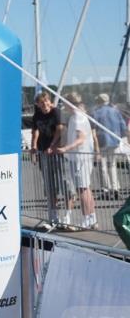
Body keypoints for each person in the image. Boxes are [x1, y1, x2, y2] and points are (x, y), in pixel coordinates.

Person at [56, 92, 97, 229]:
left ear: (70, 103)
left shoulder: (78, 117)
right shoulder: (77, 116)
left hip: (80, 158)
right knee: (86, 188)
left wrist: (65, 148)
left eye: (65, 102)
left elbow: (81, 138)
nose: (64, 106)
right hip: (79, 157)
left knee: (83, 189)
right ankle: (92, 218)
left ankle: (87, 219)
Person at [30, 92, 62, 225]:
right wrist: (33, 146)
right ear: (38, 104)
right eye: (42, 103)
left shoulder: (56, 112)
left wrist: (53, 145)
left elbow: (60, 130)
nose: (45, 104)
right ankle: (53, 217)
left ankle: (66, 217)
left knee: (63, 184)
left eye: (46, 101)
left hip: (57, 152)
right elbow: (35, 130)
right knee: (49, 185)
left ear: (50, 101)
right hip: (44, 152)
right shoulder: (36, 115)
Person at [92, 93, 127, 199]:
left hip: (101, 141)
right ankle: (115, 188)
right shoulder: (116, 111)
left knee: (102, 166)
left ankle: (106, 190)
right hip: (114, 141)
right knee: (112, 165)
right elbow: (123, 126)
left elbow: (93, 128)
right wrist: (120, 138)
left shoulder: (96, 112)